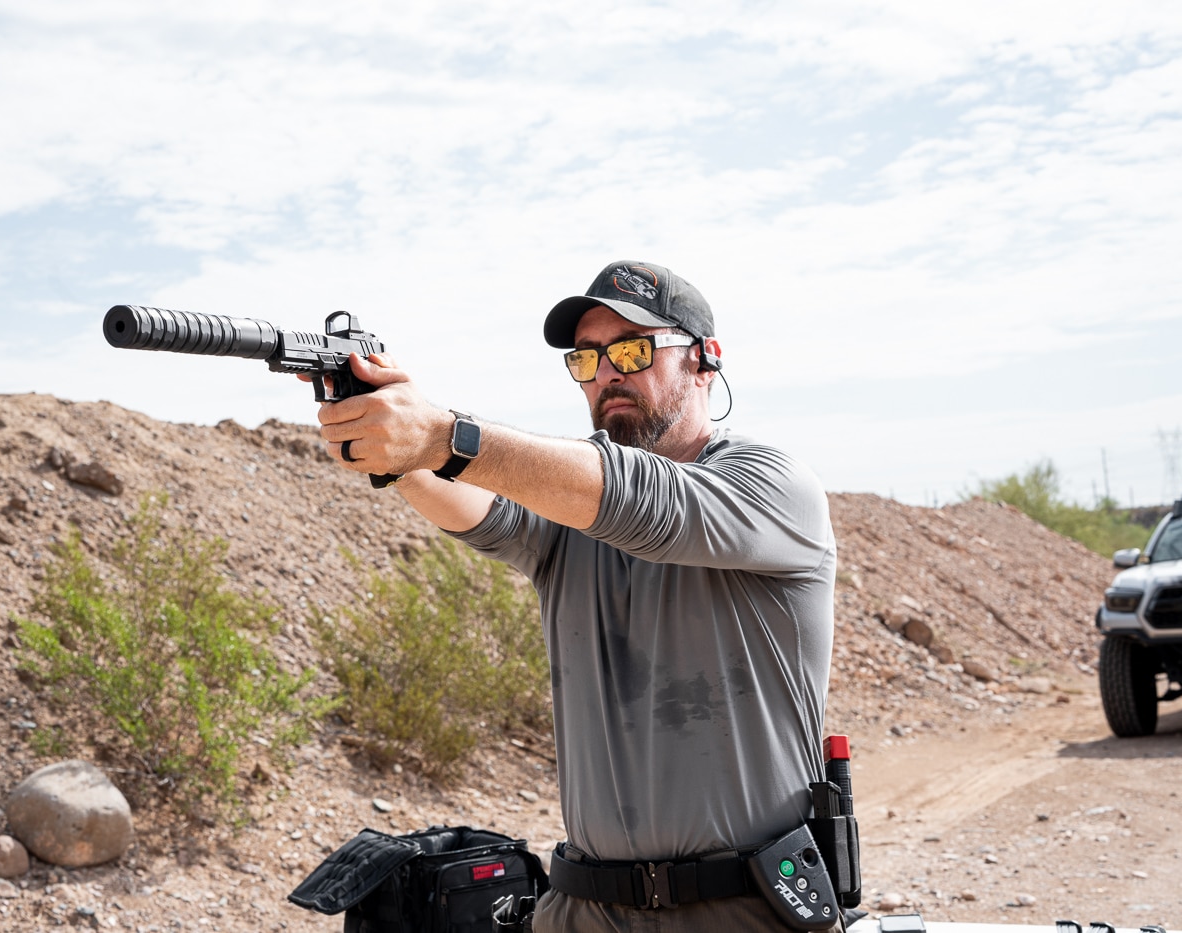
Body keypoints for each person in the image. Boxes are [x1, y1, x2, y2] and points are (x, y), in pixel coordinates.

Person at [314, 260, 837, 932]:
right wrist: (394, 449)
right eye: (586, 358)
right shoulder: (572, 505)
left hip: (738, 906)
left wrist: (443, 434)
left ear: (705, 362)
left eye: (631, 350)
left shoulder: (769, 487)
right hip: (582, 908)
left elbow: (642, 499)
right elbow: (483, 503)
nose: (605, 372)